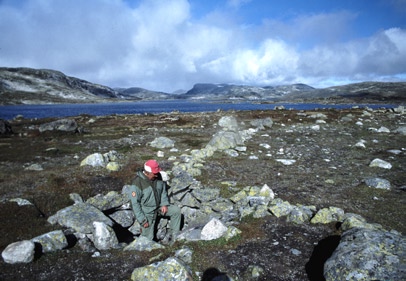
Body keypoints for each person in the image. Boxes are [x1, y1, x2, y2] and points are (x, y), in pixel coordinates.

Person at [127, 159, 181, 245]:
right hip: (147, 212)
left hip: (159, 207)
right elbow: (135, 204)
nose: (156, 175)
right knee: (147, 240)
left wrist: (164, 204)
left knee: (176, 211)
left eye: (157, 172)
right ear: (147, 172)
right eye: (154, 173)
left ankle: (174, 238)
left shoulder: (158, 176)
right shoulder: (137, 183)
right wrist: (142, 220)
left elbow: (163, 191)